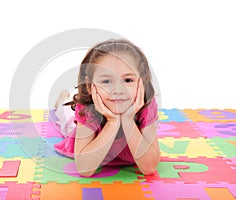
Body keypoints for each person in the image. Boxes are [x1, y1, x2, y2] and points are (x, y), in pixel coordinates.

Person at [53, 39, 161, 177]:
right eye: (106, 81)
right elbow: (85, 170)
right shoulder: (87, 108)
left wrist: (127, 120)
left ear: (141, 82)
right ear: (89, 86)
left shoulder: (146, 105)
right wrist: (113, 122)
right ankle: (63, 99)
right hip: (88, 139)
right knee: (66, 118)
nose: (118, 90)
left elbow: (149, 167)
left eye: (128, 80)